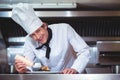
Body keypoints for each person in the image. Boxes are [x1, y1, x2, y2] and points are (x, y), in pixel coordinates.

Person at [11, 3, 90, 74]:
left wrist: (74, 69)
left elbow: (84, 51)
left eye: (38, 31)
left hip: (72, 76)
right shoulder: (29, 41)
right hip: (50, 77)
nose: (37, 37)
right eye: (32, 35)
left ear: (45, 26)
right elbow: (28, 64)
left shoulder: (64, 29)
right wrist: (23, 69)